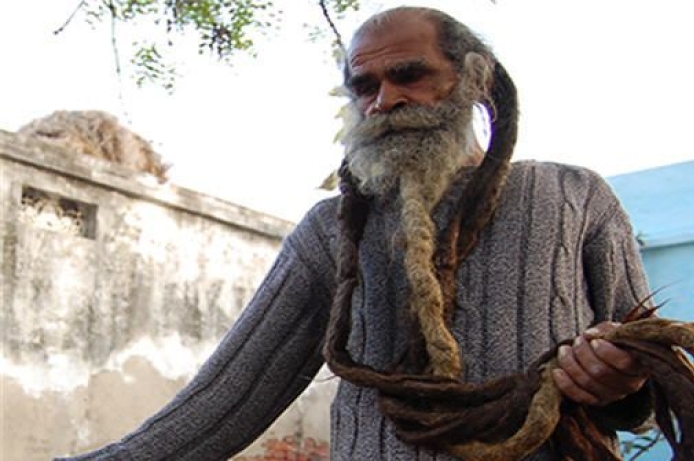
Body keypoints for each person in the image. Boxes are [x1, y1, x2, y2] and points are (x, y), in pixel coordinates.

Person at [57, 6, 653, 461]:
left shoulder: (573, 195)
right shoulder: (329, 231)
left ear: (476, 81)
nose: (384, 101)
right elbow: (224, 403)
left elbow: (655, 374)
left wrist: (621, 377)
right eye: (364, 86)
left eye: (410, 76)